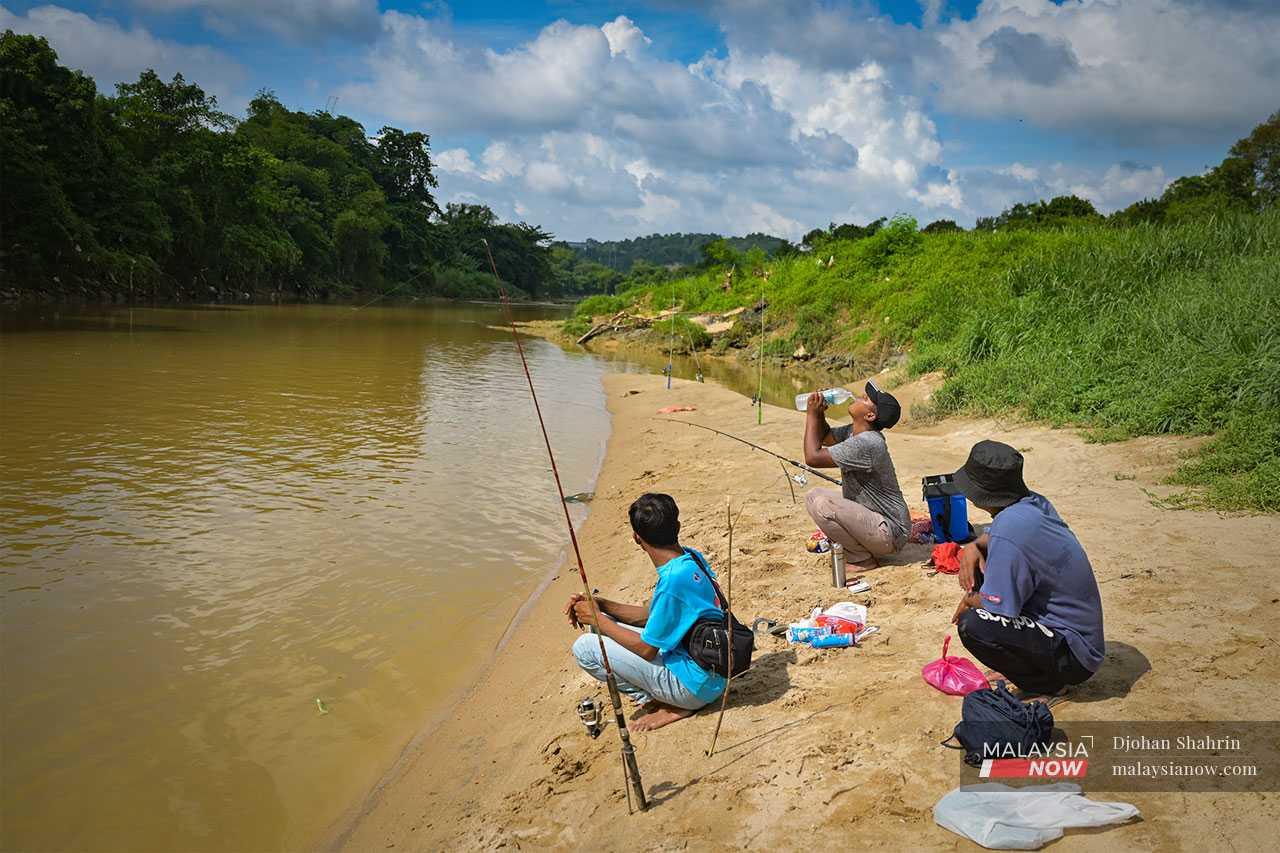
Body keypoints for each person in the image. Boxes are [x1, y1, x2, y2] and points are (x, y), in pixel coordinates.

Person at [949, 440, 1105, 698]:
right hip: (1078, 639)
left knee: (973, 625)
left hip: (1074, 655)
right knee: (983, 565)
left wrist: (970, 600)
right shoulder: (1031, 503)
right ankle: (1030, 665)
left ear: (978, 494)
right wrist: (975, 546)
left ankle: (1047, 683)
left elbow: (996, 608)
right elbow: (997, 538)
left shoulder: (1010, 528)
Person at [566, 493, 726, 732]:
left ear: (636, 538)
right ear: (677, 527)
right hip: (712, 670)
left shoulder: (673, 581)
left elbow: (646, 649)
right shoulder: (689, 558)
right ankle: (668, 698)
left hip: (697, 687)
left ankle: (666, 703)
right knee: (604, 624)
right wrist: (601, 606)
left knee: (585, 647)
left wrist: (596, 618)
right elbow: (651, 616)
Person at [802, 380, 911, 569]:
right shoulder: (854, 433)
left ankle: (860, 558)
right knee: (813, 496)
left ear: (870, 415)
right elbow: (825, 436)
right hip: (873, 520)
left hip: (890, 531)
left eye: (866, 398)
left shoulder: (868, 443)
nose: (861, 396)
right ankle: (859, 550)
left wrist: (811, 414)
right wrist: (819, 414)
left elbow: (812, 457)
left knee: (823, 506)